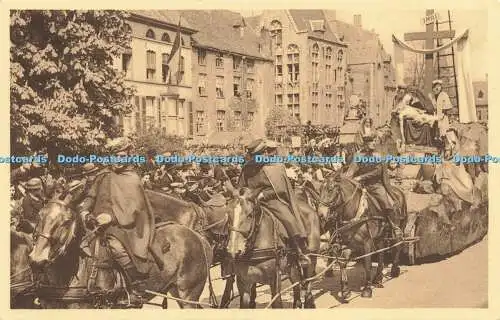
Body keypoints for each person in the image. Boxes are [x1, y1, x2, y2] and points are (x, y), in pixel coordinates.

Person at [77, 137, 161, 308]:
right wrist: (85, 210)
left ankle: (135, 285)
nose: (118, 160)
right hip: (94, 224)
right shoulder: (103, 176)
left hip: (123, 226)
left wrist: (111, 218)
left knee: (115, 247)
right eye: (115, 156)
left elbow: (135, 209)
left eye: (122, 156)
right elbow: (90, 197)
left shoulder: (132, 178)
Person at [238, 139, 311, 267]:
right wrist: (245, 194)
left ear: (264, 153)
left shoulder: (274, 166)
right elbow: (241, 187)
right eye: (254, 156)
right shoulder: (247, 168)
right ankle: (231, 251)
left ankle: (298, 251)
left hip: (271, 200)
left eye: (259, 155)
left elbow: (280, 188)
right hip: (250, 202)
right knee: (235, 218)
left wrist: (263, 195)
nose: (256, 159)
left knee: (288, 219)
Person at [345, 135, 403, 240]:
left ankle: (394, 226)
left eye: (374, 142)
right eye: (371, 142)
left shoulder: (377, 155)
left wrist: (361, 177)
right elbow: (352, 170)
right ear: (366, 144)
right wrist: (346, 179)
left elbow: (377, 171)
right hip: (362, 186)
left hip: (376, 186)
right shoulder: (359, 156)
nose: (374, 144)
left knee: (386, 203)